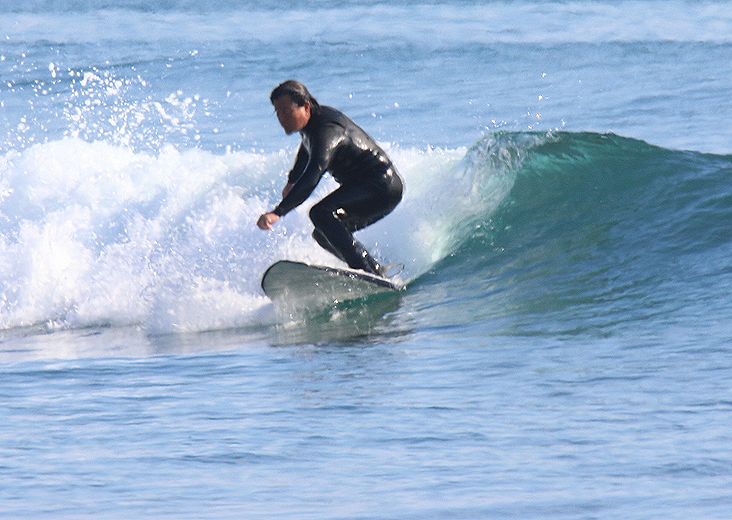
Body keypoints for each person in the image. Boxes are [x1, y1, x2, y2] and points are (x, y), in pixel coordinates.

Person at [257, 80, 404, 276]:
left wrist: (278, 212)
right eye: (277, 113)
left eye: (286, 111)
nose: (281, 118)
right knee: (323, 233)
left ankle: (365, 271)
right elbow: (307, 147)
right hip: (369, 187)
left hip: (382, 186)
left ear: (306, 107)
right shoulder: (312, 124)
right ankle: (375, 270)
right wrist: (292, 180)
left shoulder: (328, 131)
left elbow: (315, 171)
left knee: (320, 213)